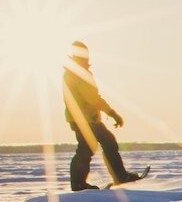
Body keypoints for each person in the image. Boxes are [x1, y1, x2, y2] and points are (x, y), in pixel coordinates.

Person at [62, 41, 145, 191]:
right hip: (86, 118)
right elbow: (93, 98)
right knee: (101, 144)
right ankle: (114, 177)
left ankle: (84, 182)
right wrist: (112, 113)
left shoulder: (72, 71)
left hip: (81, 117)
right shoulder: (79, 72)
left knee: (94, 146)